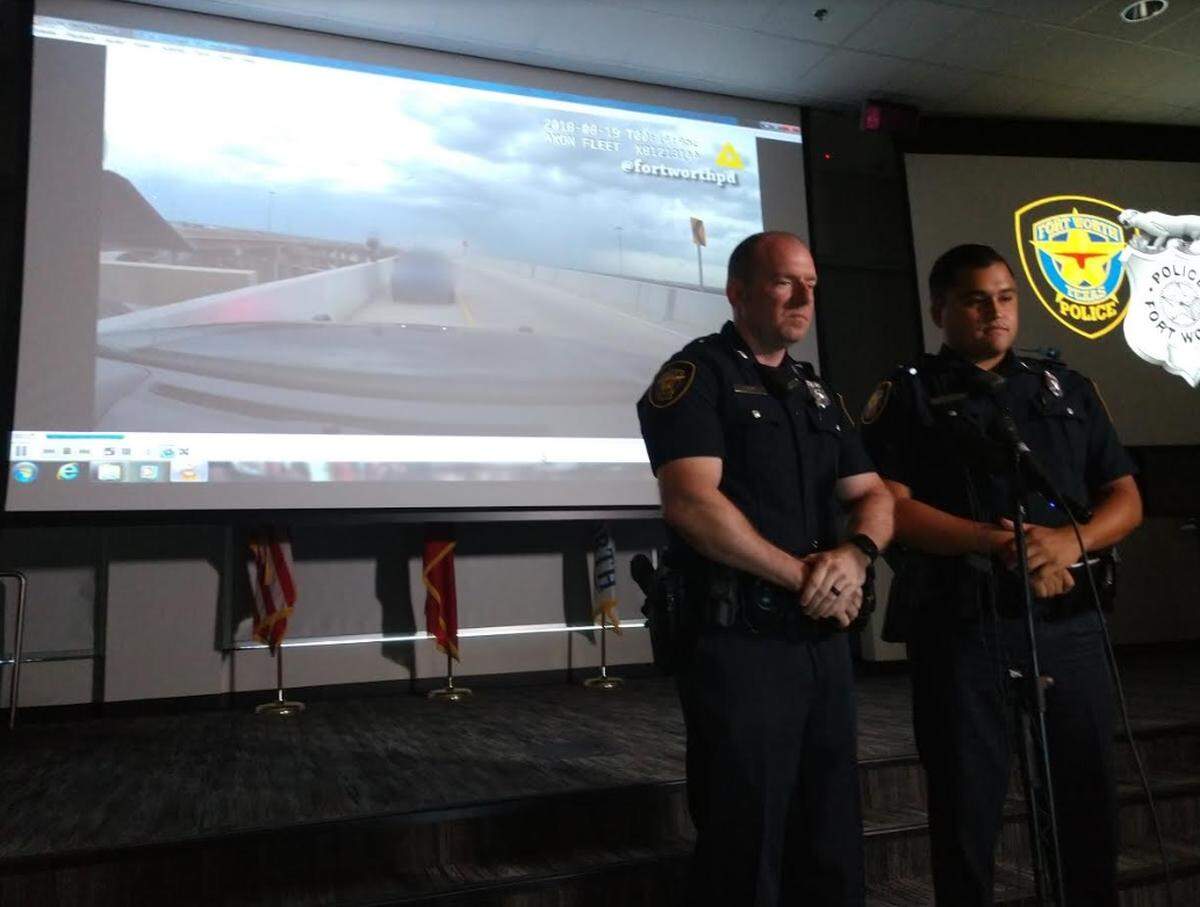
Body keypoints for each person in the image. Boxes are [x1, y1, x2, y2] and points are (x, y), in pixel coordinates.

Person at [860, 243, 1143, 905]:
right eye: (975, 299)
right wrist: (998, 543)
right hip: (965, 626)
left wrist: (1069, 543)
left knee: (1087, 808)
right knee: (967, 813)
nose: (995, 311)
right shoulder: (908, 393)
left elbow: (1126, 497)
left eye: (1006, 297)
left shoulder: (1064, 387)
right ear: (940, 309)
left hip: (1068, 621)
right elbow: (889, 506)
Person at [637, 231, 893, 906]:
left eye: (811, 283)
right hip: (739, 644)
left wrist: (855, 557)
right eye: (786, 282)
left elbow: (873, 494)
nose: (806, 297)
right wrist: (802, 576)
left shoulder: (816, 393)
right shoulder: (697, 377)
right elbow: (691, 502)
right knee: (743, 842)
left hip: (821, 643)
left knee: (832, 835)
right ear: (739, 290)